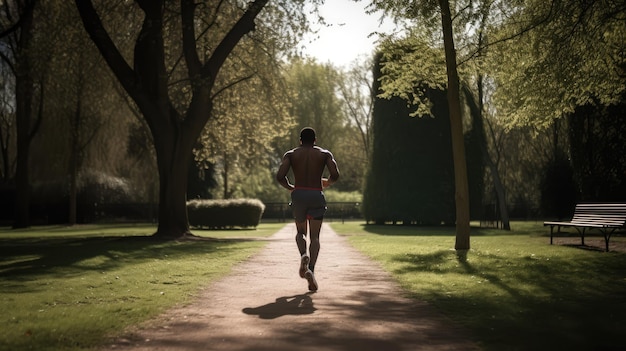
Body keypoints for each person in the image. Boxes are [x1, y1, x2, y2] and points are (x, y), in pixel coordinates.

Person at [276, 127, 340, 291]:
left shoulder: (291, 154)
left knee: (300, 233)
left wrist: (290, 187)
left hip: (299, 195)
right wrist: (327, 183)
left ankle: (303, 254)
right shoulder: (324, 154)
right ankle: (311, 269)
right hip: (316, 194)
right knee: (315, 237)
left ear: (300, 140)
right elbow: (335, 174)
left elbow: (280, 176)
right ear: (315, 140)